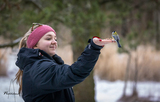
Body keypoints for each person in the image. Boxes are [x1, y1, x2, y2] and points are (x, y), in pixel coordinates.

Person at [15, 23, 115, 102]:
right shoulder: (39, 68)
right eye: (48, 38)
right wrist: (93, 48)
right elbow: (74, 73)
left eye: (55, 39)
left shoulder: (38, 65)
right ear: (35, 45)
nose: (54, 41)